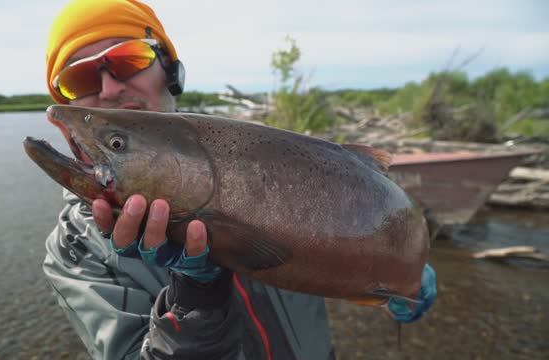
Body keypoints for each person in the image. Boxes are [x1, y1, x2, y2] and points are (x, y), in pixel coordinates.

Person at [42, 1, 437, 359]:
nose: (110, 89)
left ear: (170, 70)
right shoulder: (74, 255)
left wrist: (402, 275)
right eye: (79, 80)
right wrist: (194, 303)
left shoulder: (273, 157)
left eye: (129, 60)